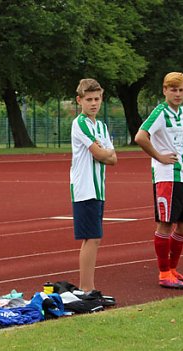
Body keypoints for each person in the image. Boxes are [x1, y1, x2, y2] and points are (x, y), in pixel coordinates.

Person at [134, 72, 183, 290]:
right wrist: (159, 156)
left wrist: (182, 152)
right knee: (166, 223)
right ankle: (163, 273)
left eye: (181, 90)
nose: (178, 94)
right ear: (165, 90)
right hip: (167, 177)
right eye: (173, 90)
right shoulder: (160, 112)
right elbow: (141, 136)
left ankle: (173, 268)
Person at [69, 78, 118, 300]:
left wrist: (105, 153)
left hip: (99, 188)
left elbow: (113, 158)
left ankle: (88, 287)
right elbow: (100, 154)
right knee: (91, 237)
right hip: (85, 187)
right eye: (89, 99)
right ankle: (86, 288)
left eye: (97, 99)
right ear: (80, 100)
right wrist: (104, 153)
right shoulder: (80, 123)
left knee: (95, 238)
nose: (93, 103)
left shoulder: (101, 126)